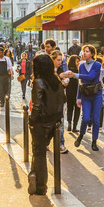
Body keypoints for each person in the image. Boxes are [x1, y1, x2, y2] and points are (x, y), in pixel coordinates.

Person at [27, 54, 66, 195]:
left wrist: (32, 121)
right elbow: (62, 102)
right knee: (40, 152)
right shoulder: (56, 81)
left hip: (41, 123)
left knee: (39, 153)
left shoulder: (39, 82)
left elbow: (36, 106)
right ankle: (36, 178)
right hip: (54, 122)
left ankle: (40, 186)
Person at [74, 45, 103, 151]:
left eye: (87, 51)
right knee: (85, 118)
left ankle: (94, 142)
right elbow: (81, 83)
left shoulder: (97, 65)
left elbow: (91, 77)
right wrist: (78, 98)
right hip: (86, 95)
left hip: (96, 94)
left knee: (96, 120)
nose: (84, 53)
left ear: (92, 53)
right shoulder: (81, 66)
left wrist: (75, 75)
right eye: (83, 51)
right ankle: (81, 135)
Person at [50, 50, 69, 154]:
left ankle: (60, 143)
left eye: (61, 60)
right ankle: (46, 143)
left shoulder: (62, 69)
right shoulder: (48, 70)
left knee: (60, 122)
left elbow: (61, 85)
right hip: (50, 99)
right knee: (49, 122)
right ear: (52, 59)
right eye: (58, 60)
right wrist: (59, 78)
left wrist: (65, 82)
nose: (60, 62)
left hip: (61, 98)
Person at [65, 55, 80, 133]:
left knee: (69, 108)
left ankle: (69, 124)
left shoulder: (68, 71)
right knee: (77, 109)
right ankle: (74, 126)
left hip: (69, 92)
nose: (78, 63)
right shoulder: (78, 71)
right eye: (77, 61)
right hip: (77, 92)